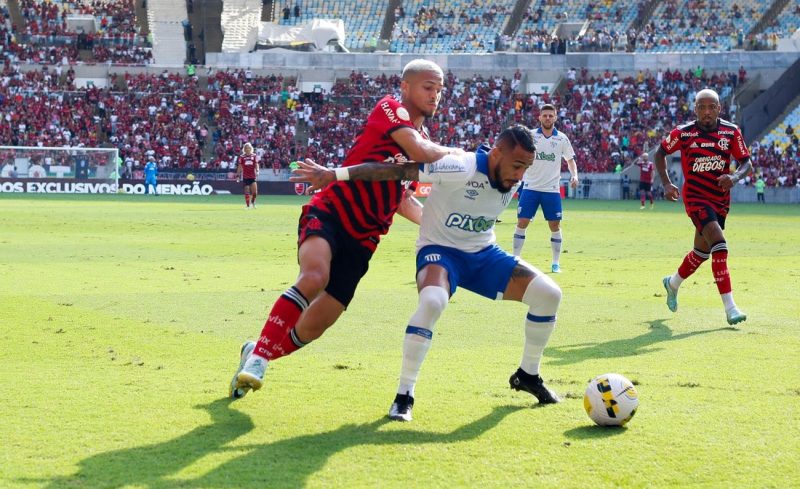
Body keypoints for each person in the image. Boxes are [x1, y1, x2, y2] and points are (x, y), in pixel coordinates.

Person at [291, 125, 562, 422]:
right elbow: (395, 172)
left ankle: (528, 375)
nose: (520, 175)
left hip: (483, 253)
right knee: (433, 301)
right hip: (440, 252)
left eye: (526, 168)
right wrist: (335, 174)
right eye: (517, 165)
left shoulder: (508, 176)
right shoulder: (460, 165)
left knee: (549, 295)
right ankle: (404, 395)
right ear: (496, 154)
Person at [228, 59, 462, 399]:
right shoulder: (390, 109)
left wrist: (440, 225)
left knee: (316, 325)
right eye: (429, 87)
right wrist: (464, 158)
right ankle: (260, 359)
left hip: (365, 239)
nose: (435, 95)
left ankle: (256, 349)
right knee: (313, 277)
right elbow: (419, 151)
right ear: (406, 87)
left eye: (440, 90)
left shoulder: (425, 138)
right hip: (332, 212)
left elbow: (402, 199)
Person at [655, 88, 752, 326]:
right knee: (719, 244)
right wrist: (667, 184)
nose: (707, 112)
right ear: (695, 109)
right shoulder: (684, 133)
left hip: (720, 199)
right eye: (702, 107)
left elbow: (745, 162)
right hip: (696, 198)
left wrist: (735, 177)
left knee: (701, 252)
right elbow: (660, 153)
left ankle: (673, 283)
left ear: (719, 108)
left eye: (712, 107)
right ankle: (730, 308)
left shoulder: (731, 132)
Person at [512, 104, 578, 273]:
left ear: (556, 118)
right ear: (539, 118)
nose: (548, 118)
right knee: (522, 222)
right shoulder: (531, 136)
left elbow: (570, 160)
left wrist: (574, 175)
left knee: (554, 225)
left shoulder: (562, 139)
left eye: (551, 115)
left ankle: (556, 263)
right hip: (531, 187)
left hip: (551, 189)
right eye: (545, 115)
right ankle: (515, 259)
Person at [236, 143, 259, 209]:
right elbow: (240, 166)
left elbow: (256, 164)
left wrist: (257, 170)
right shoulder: (242, 157)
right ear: (244, 149)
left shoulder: (254, 156)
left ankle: (253, 202)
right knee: (247, 191)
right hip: (245, 176)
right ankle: (247, 205)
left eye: (248, 148)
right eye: (246, 148)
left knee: (254, 192)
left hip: (253, 176)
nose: (247, 149)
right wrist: (238, 175)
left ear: (251, 148)